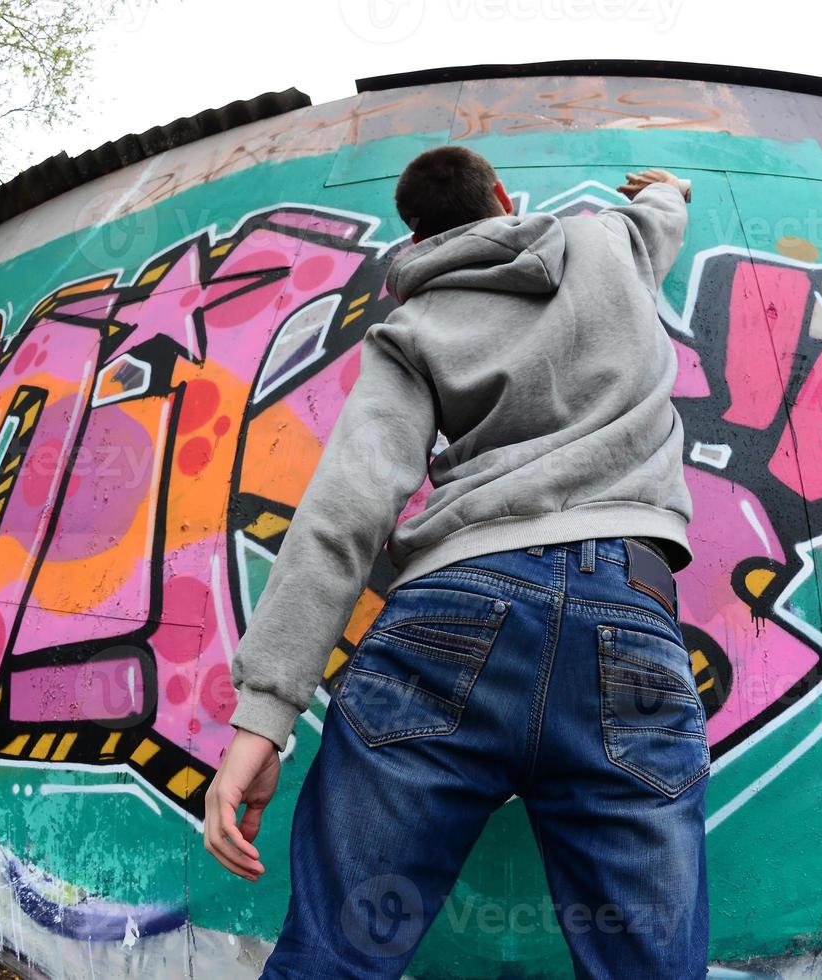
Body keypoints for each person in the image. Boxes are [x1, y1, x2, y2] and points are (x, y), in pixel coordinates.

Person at [204, 145, 708, 979]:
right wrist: (667, 186)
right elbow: (663, 216)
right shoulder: (609, 243)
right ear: (504, 197)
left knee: (332, 960)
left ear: (418, 234)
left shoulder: (412, 325)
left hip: (451, 613)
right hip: (629, 612)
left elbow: (348, 509)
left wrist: (263, 716)